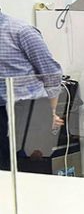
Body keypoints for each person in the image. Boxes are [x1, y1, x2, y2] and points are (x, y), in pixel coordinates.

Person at [0, 9, 62, 171]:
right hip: (3, 114)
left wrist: (51, 112)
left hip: (27, 113)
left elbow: (51, 74)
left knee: (31, 171)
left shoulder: (21, 31)